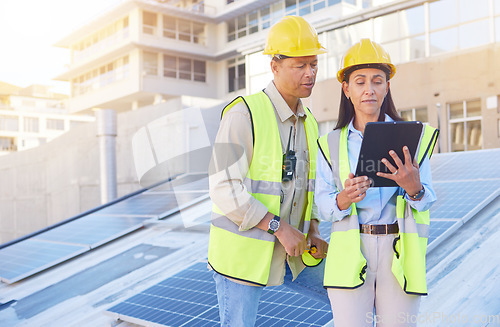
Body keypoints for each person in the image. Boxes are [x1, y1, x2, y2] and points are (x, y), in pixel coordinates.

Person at [208, 15, 329, 326]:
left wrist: (313, 229)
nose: (310, 73)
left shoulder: (311, 122)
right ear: (274, 66)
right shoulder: (242, 113)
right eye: (300, 65)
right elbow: (223, 187)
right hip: (242, 258)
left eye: (313, 64)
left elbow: (309, 185)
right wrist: (278, 227)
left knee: (350, 292)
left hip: (294, 252)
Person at [315, 39, 439, 327]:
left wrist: (413, 188)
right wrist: (344, 198)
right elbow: (322, 205)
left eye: (377, 81)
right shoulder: (329, 144)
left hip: (398, 252)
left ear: (386, 87)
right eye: (360, 82)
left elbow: (428, 197)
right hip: (351, 252)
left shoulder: (413, 137)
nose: (369, 89)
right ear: (346, 89)